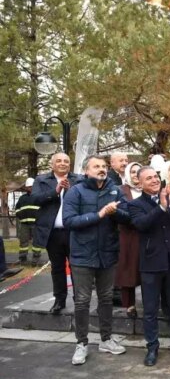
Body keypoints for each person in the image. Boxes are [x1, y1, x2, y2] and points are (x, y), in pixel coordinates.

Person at [63, 155, 130, 365]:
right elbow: (69, 221)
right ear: (86, 171)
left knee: (107, 298)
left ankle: (106, 339)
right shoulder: (76, 191)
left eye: (103, 166)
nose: (101, 169)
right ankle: (81, 343)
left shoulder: (115, 189)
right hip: (82, 255)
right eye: (96, 166)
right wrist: (100, 214)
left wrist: (116, 212)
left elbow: (127, 217)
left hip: (108, 253)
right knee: (82, 300)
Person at [129, 166, 170, 367]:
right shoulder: (136, 204)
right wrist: (162, 207)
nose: (154, 180)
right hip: (151, 263)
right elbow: (142, 224)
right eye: (148, 178)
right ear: (140, 183)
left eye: (156, 177)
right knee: (150, 309)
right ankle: (152, 346)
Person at [32, 152, 83, 314]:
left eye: (66, 161)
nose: (62, 163)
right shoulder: (41, 180)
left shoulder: (79, 179)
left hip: (74, 232)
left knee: (77, 267)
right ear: (52, 164)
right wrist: (56, 191)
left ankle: (79, 300)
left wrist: (71, 190)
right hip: (52, 233)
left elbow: (85, 200)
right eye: (59, 161)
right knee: (57, 268)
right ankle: (60, 300)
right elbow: (35, 199)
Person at [116, 162, 142, 318]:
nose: (135, 174)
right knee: (128, 270)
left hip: (147, 234)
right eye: (132, 172)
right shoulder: (121, 191)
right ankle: (129, 305)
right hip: (128, 235)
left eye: (139, 171)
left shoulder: (150, 189)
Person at [15, 178, 42, 266]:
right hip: (24, 224)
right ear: (26, 188)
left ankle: (35, 259)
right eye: (29, 187)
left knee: (36, 242)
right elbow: (17, 209)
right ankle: (23, 259)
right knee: (23, 241)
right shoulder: (22, 198)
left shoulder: (39, 197)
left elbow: (44, 209)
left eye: (32, 186)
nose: (30, 188)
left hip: (36, 224)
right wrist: (21, 216)